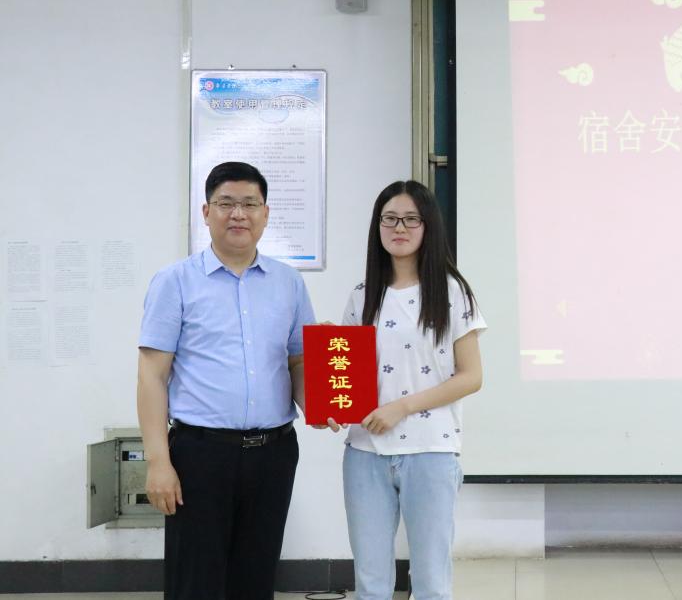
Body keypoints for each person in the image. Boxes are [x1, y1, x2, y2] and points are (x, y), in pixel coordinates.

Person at [136, 161, 316, 600]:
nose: (239, 214)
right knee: (195, 581)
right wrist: (158, 462)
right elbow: (152, 375)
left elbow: (298, 362)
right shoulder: (175, 281)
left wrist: (321, 404)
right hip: (200, 454)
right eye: (226, 203)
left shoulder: (289, 283)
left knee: (256, 579)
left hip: (273, 453)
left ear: (266, 213)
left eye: (250, 204)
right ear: (206, 212)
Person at [327, 180, 485, 600]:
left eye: (411, 219)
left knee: (431, 580)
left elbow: (471, 376)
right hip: (365, 452)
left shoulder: (452, 292)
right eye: (390, 218)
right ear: (377, 226)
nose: (399, 227)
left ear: (428, 226)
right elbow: (348, 375)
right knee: (371, 581)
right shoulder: (362, 296)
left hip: (430, 450)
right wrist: (333, 402)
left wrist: (402, 407)